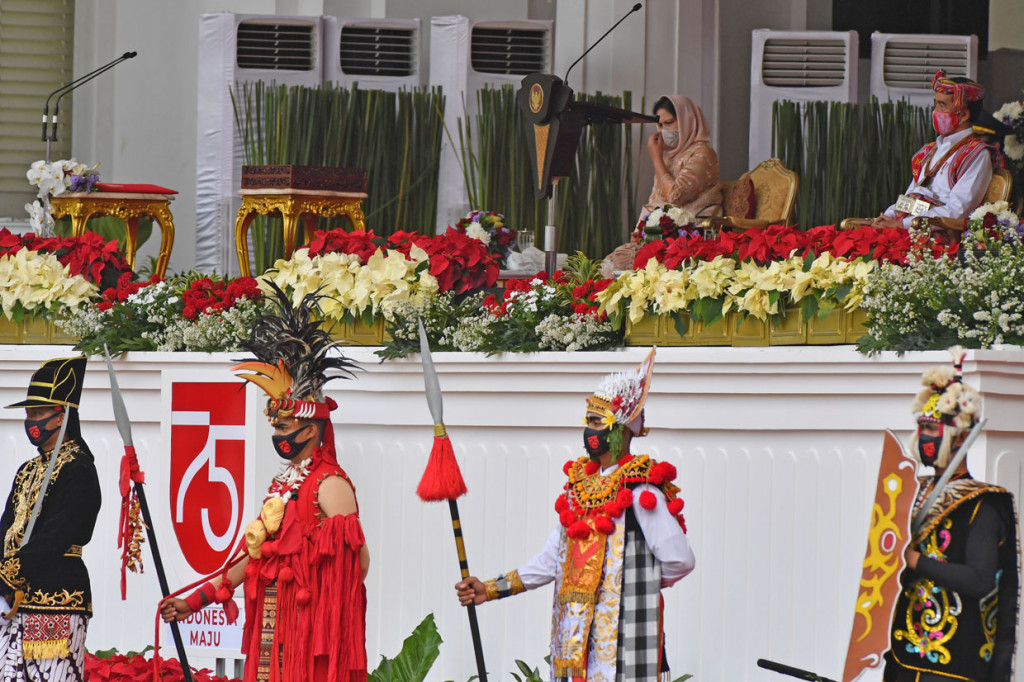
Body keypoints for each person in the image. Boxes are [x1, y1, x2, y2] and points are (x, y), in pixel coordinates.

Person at [161, 289, 369, 682]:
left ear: (312, 429)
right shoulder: (284, 483)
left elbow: (358, 564)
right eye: (274, 427)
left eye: (284, 427)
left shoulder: (330, 483)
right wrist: (194, 602)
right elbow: (254, 557)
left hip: (308, 632)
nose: (278, 435)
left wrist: (312, 601)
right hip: (272, 625)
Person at [455, 349, 695, 681]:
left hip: (624, 640)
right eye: (588, 421)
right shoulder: (578, 492)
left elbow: (680, 559)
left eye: (596, 421)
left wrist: (635, 584)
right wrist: (491, 589)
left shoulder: (642, 495)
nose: (589, 429)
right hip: (576, 638)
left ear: (620, 429)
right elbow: (550, 561)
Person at [883, 348, 1019, 682]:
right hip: (902, 653)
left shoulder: (983, 504)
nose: (924, 439)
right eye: (922, 429)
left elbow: (979, 579)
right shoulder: (915, 492)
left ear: (959, 437)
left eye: (932, 430)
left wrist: (913, 561)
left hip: (954, 664)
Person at [0, 356, 102, 681]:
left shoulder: (79, 469)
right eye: (29, 414)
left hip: (56, 597)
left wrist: (9, 573)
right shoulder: (28, 469)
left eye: (39, 413)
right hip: (11, 602)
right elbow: (6, 525)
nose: (31, 421)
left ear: (61, 417)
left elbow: (58, 534)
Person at [873, 71, 992, 230]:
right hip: (906, 227)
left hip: (935, 236)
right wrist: (890, 216)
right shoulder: (930, 150)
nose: (935, 111)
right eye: (935, 103)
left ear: (962, 115)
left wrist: (903, 225)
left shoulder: (977, 155)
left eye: (942, 105)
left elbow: (957, 211)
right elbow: (912, 197)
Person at [642, 94, 723, 219]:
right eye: (660, 125)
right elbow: (654, 201)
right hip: (665, 231)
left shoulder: (703, 153)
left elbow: (676, 196)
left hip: (695, 231)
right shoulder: (669, 158)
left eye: (668, 123)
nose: (664, 130)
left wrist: (656, 159)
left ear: (686, 121)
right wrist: (639, 229)